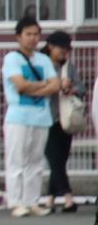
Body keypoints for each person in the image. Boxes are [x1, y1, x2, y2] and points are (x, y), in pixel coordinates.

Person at [2, 17, 59, 218]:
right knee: (16, 160)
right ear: (19, 36)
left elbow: (56, 85)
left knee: (36, 161)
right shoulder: (12, 59)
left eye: (36, 34)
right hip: (18, 117)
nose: (33, 38)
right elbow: (20, 85)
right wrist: (43, 86)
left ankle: (32, 201)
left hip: (41, 118)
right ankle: (16, 202)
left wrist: (32, 87)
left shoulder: (44, 59)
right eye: (28, 34)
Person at [43, 31, 79, 213]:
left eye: (66, 49)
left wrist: (71, 88)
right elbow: (39, 88)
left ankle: (50, 200)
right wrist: (57, 85)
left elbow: (82, 88)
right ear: (50, 46)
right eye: (61, 48)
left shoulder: (69, 68)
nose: (64, 52)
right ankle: (68, 198)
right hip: (46, 118)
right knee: (54, 158)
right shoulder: (41, 65)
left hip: (65, 119)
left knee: (60, 159)